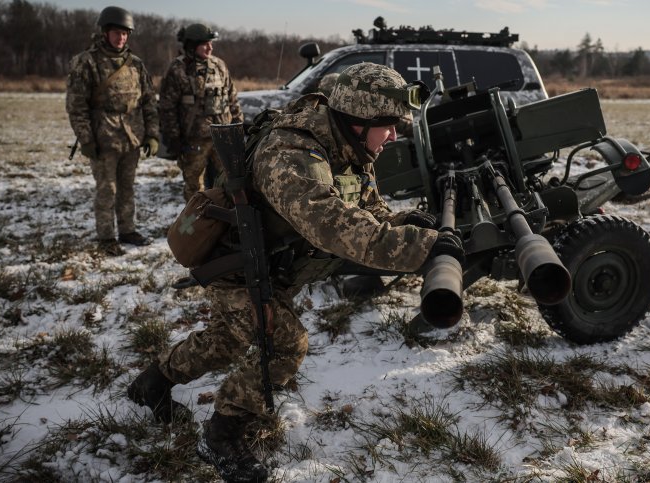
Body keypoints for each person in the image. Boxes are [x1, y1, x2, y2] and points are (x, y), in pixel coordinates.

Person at [127, 62, 463, 481]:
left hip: (270, 267)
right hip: (234, 268)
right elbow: (333, 228)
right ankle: (221, 435)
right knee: (287, 345)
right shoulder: (290, 156)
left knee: (226, 340)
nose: (395, 135)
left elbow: (367, 212)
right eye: (390, 125)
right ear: (359, 121)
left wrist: (410, 224)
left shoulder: (350, 148)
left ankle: (152, 382)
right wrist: (421, 248)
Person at [66, 6, 159, 256]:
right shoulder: (86, 62)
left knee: (127, 187)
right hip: (102, 138)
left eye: (125, 34)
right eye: (117, 33)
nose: (121, 38)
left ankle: (128, 230)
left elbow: (149, 101)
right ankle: (106, 237)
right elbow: (76, 106)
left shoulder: (136, 65)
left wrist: (152, 134)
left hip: (132, 137)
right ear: (105, 32)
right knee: (107, 190)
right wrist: (86, 139)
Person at [159, 23, 243, 203]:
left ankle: (229, 222)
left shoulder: (219, 65)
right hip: (193, 139)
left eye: (211, 43)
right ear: (191, 45)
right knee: (194, 187)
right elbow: (167, 107)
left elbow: (232, 98)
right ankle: (198, 225)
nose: (210, 47)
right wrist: (173, 137)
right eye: (205, 43)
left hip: (223, 136)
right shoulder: (177, 69)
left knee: (230, 182)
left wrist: (238, 125)